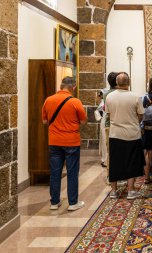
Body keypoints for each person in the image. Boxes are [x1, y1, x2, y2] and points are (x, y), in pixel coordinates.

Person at [42, 76, 87, 211]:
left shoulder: (48, 100)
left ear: (61, 86)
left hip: (54, 141)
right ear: (73, 87)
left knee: (55, 172)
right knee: (72, 172)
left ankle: (54, 202)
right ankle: (73, 203)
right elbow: (84, 121)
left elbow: (44, 121)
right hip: (71, 141)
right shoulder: (75, 101)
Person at [105, 73, 145, 199]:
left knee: (115, 162)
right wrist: (134, 122)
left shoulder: (109, 97)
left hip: (115, 133)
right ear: (129, 82)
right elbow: (141, 115)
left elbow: (108, 114)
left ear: (117, 83)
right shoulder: (135, 97)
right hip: (132, 134)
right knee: (131, 162)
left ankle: (114, 191)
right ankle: (130, 190)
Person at [103, 72, 119, 183]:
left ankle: (110, 176)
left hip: (109, 124)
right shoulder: (118, 93)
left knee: (110, 152)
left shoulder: (106, 94)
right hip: (118, 124)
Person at [95, 89, 108, 168]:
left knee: (104, 142)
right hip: (110, 123)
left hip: (104, 124)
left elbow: (98, 117)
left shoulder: (101, 104)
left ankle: (105, 160)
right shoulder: (108, 102)